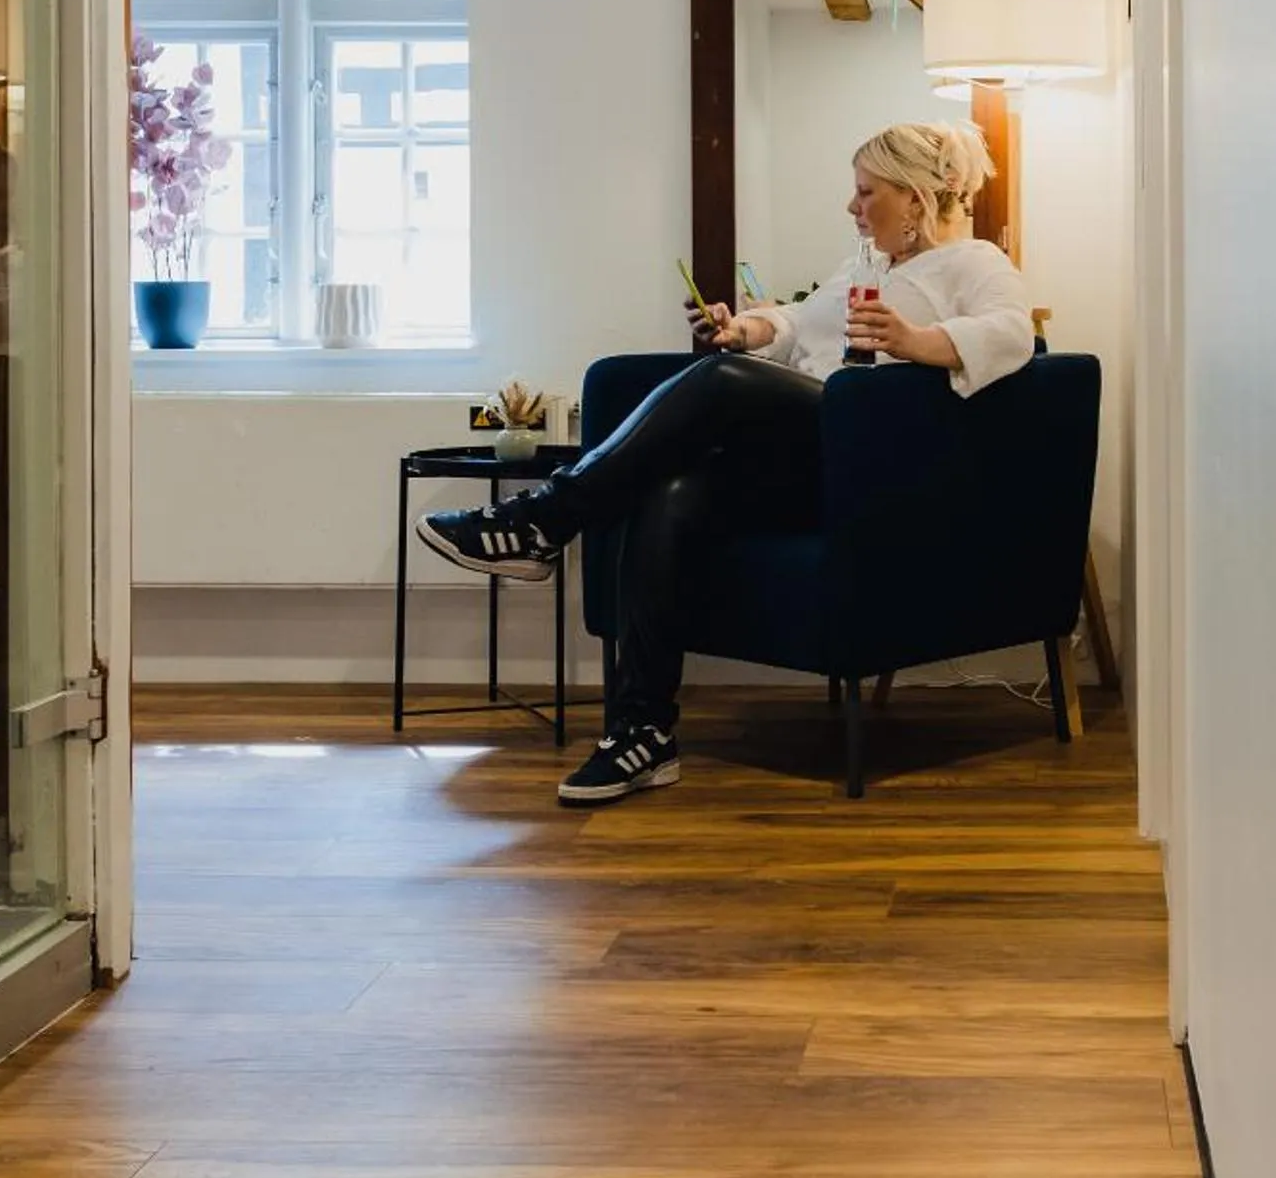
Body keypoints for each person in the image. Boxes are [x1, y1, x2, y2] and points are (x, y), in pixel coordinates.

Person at [419, 122, 1037, 805]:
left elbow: (1014, 333)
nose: (852, 206)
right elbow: (796, 322)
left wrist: (918, 340)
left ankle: (543, 519)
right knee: (668, 490)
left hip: (868, 464)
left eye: (866, 192)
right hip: (802, 461)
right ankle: (642, 733)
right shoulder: (864, 267)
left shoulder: (974, 263)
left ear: (915, 199)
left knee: (721, 380)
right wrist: (744, 328)